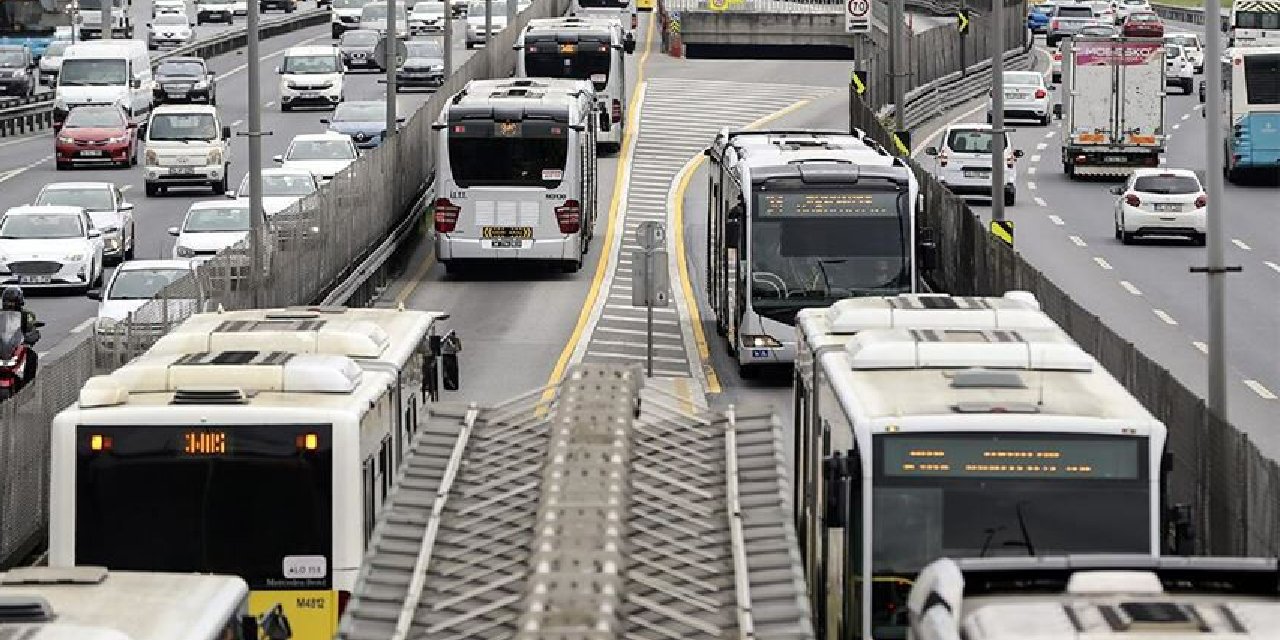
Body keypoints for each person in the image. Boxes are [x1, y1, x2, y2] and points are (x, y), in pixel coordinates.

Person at [1, 286, 39, 386]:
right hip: (2, 347)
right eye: (7, 302)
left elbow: (32, 330)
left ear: (19, 302)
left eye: (12, 302)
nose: (9, 304)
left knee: (32, 356)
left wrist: (30, 337)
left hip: (17, 346)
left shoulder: (27, 315)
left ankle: (29, 386)